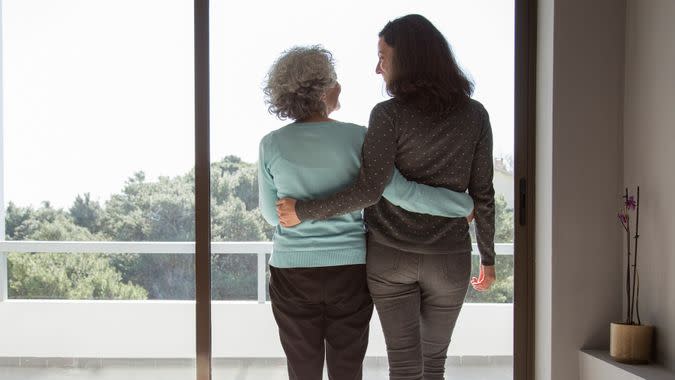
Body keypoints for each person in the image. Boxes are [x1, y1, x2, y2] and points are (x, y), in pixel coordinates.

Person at [276, 15, 497, 380]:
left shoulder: (387, 115)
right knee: (434, 365)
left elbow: (369, 188)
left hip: (390, 257)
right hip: (449, 258)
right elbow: (483, 192)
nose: (377, 68)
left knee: (405, 366)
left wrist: (304, 211)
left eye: (383, 57)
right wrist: (487, 258)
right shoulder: (475, 115)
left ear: (408, 58)